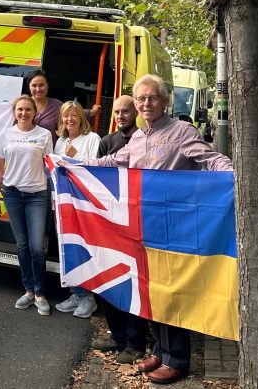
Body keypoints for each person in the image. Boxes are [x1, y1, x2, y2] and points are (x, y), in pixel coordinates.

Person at [83, 76, 233, 386]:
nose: (146, 104)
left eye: (152, 98)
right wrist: (77, 165)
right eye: (140, 99)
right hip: (144, 226)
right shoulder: (137, 137)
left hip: (174, 230)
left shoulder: (181, 132)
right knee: (153, 291)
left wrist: (233, 173)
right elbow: (115, 161)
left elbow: (210, 159)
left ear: (165, 101)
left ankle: (178, 360)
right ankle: (162, 352)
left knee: (174, 293)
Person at [87, 95, 154, 365]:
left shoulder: (143, 140)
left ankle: (136, 342)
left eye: (125, 111)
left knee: (133, 284)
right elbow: (96, 177)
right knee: (109, 280)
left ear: (135, 112)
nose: (120, 116)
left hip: (136, 222)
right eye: (116, 112)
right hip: (110, 221)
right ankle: (117, 336)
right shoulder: (106, 142)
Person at [0, 95, 55, 316]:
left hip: (37, 196)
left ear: (35, 112)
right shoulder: (5, 134)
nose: (24, 113)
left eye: (28, 109)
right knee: (22, 246)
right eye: (20, 110)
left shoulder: (44, 135)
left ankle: (41, 294)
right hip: (12, 195)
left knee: (37, 247)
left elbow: (51, 167)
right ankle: (28, 291)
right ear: (14, 112)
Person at [53, 100, 102, 319]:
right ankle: (76, 293)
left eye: (74, 115)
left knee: (84, 249)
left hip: (84, 204)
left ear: (82, 119)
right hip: (64, 203)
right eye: (66, 116)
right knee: (69, 248)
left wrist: (74, 158)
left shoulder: (93, 139)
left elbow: (96, 170)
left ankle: (88, 298)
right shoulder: (60, 141)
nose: (69, 119)